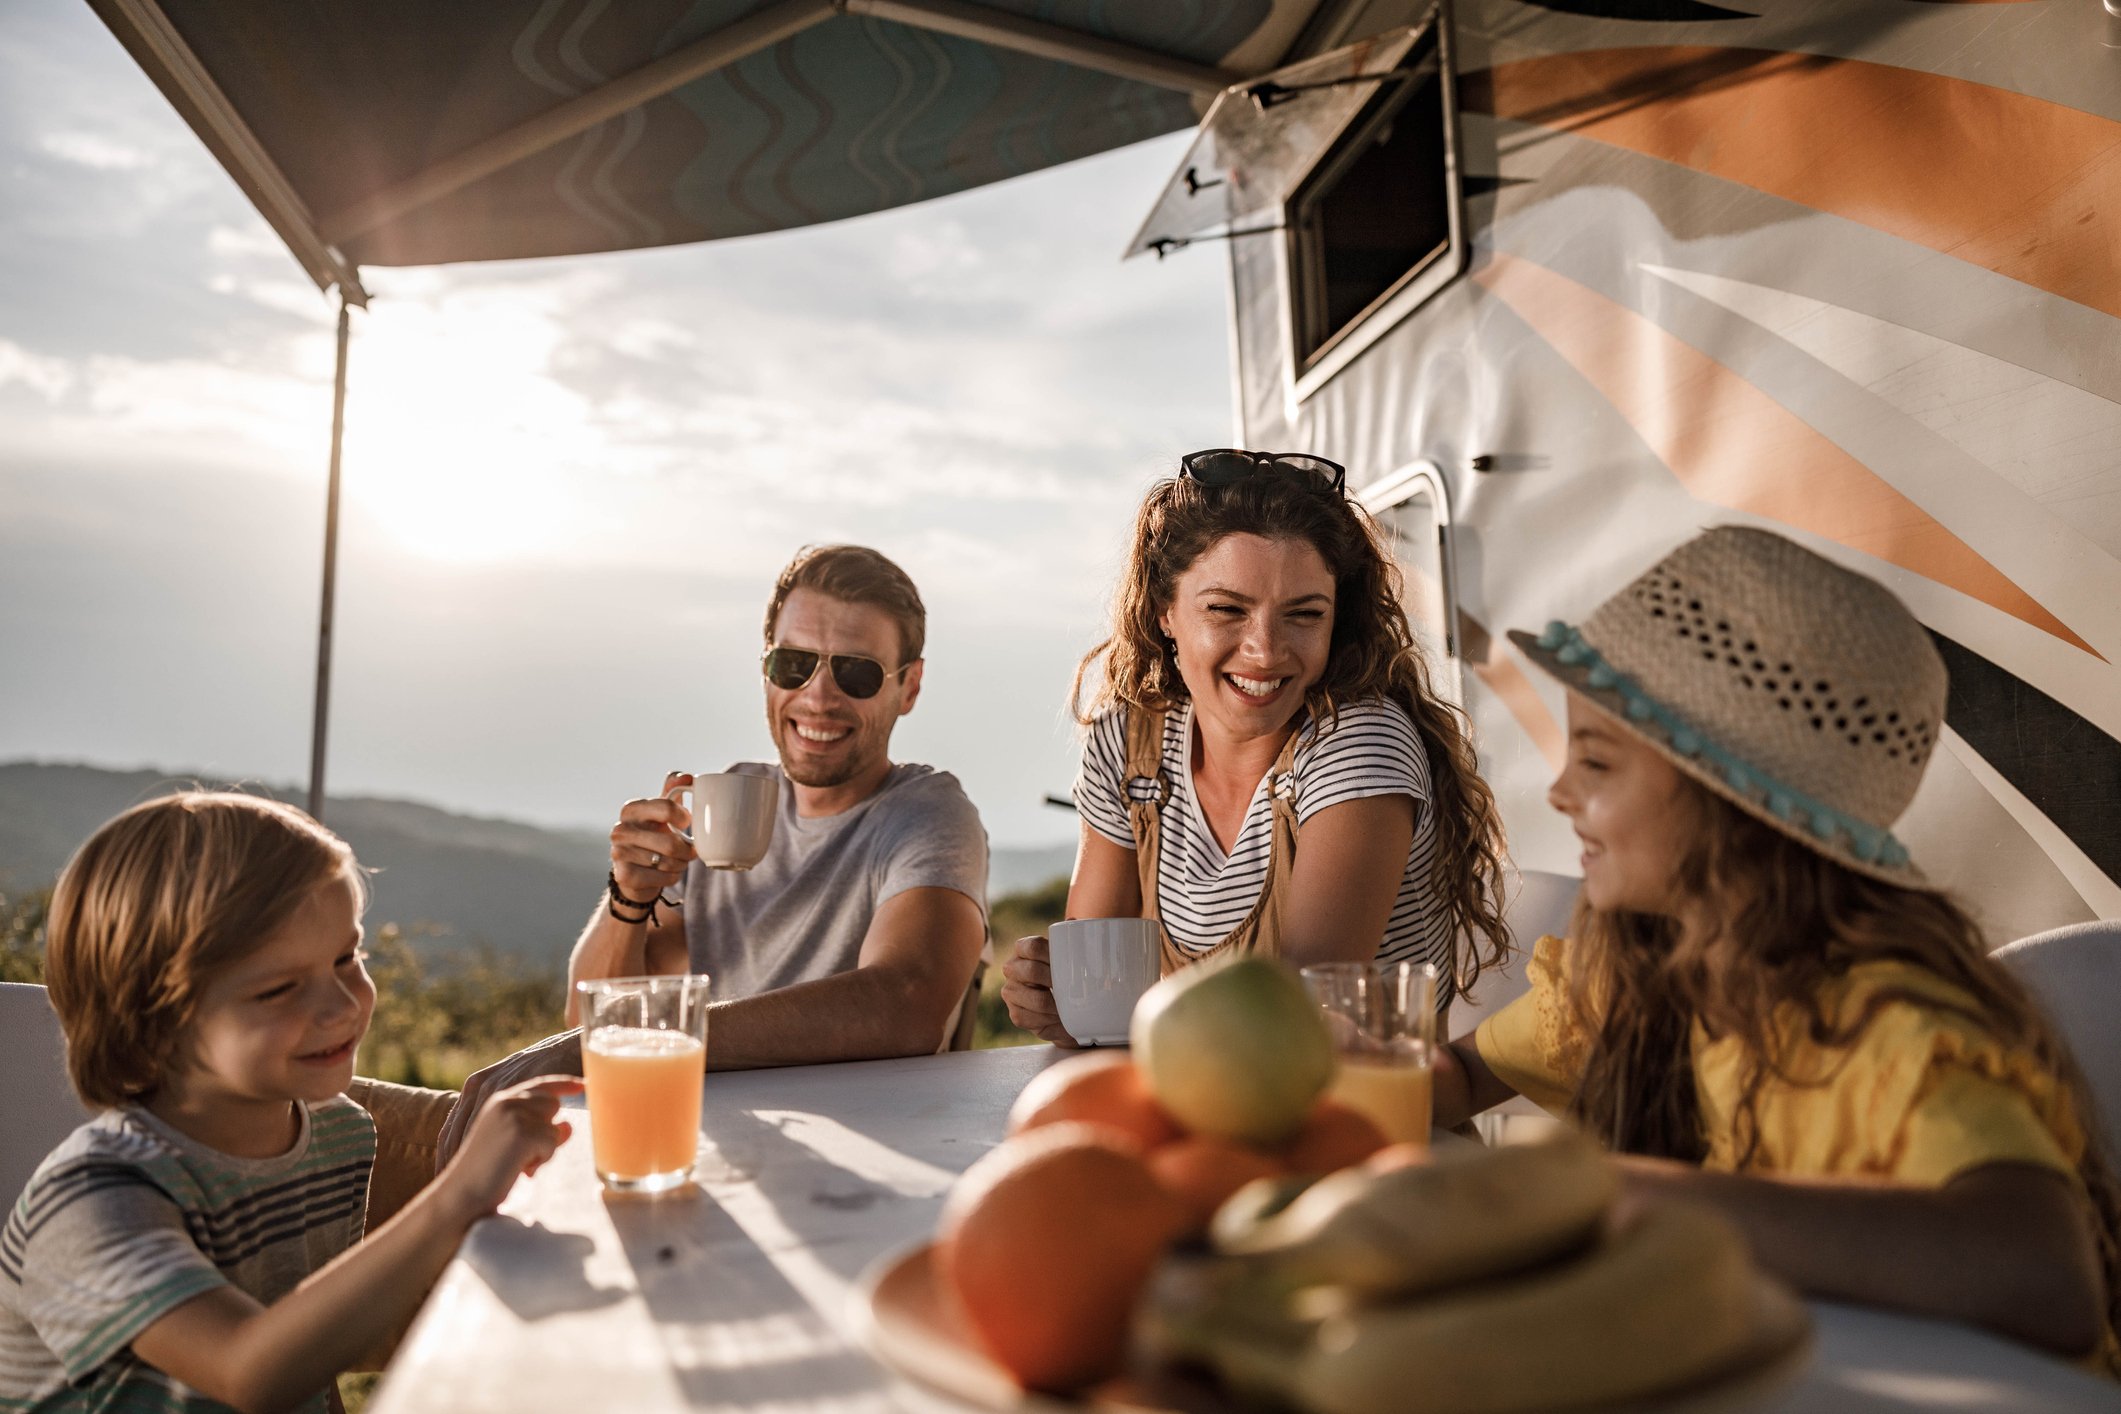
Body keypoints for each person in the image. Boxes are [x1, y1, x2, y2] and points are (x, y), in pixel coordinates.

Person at [1433, 525, 2118, 1369]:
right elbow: (1461, 1075)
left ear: (1731, 807)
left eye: (1598, 763)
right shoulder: (1635, 975)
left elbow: (2044, 1281)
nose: (1560, 792)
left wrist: (1635, 1200)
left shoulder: (1883, 1030)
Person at [0, 792, 576, 1414]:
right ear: (153, 1020)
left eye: (346, 958)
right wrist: (456, 1196)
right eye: (279, 989)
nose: (342, 1005)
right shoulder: (93, 1201)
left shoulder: (338, 1134)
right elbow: (249, 1374)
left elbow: (306, 1359)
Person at [439, 545, 988, 1157]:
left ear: (908, 687)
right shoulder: (726, 800)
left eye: (855, 673)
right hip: (716, 1145)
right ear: (766, 669)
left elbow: (905, 1004)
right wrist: (630, 898)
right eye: (794, 664)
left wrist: (639, 1033)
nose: (818, 697)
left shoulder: (926, 812)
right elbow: (587, 1015)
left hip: (872, 1157)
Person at [1002, 449, 1511, 1045]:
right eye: (1226, 609)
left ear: (1336, 619)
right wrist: (1058, 1000)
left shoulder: (1359, 742)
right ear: (1165, 610)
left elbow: (1293, 1020)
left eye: (1304, 614)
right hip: (1194, 1109)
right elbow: (1097, 997)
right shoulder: (1128, 742)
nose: (1265, 650)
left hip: (1362, 1125)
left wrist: (1123, 1017)